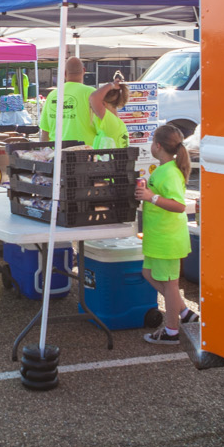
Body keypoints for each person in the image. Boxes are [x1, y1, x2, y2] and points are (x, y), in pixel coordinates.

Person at [134, 123, 196, 344]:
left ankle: (171, 331)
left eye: (152, 142)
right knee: (148, 273)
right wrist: (148, 193)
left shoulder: (170, 172)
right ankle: (185, 313)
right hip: (158, 237)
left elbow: (179, 205)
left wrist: (150, 197)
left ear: (158, 146)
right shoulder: (164, 170)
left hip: (167, 238)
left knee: (170, 285)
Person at [38, 56, 100, 145]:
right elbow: (105, 126)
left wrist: (43, 151)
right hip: (86, 150)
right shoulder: (93, 94)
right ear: (84, 71)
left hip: (56, 151)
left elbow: (45, 131)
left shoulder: (52, 95)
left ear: (64, 73)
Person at [87, 72, 130, 149]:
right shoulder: (116, 123)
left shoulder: (110, 122)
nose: (93, 109)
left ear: (104, 104)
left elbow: (93, 98)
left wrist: (111, 85)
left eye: (92, 106)